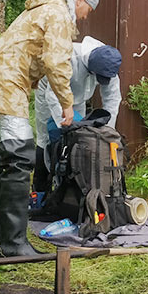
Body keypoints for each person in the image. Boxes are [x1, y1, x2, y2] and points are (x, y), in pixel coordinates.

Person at [0, 0, 99, 257]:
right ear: (80, 1)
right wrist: (67, 103)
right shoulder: (60, 14)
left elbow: (28, 48)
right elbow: (56, 61)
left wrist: (34, 76)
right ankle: (14, 244)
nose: (86, 15)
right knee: (19, 161)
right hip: (6, 86)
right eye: (88, 9)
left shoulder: (41, 9)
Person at [33, 36, 122, 189]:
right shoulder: (69, 58)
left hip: (79, 99)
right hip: (50, 91)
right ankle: (40, 187)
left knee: (78, 140)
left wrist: (109, 131)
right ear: (90, 67)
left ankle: (72, 187)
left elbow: (112, 99)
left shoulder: (108, 62)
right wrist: (66, 124)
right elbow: (53, 95)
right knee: (47, 137)